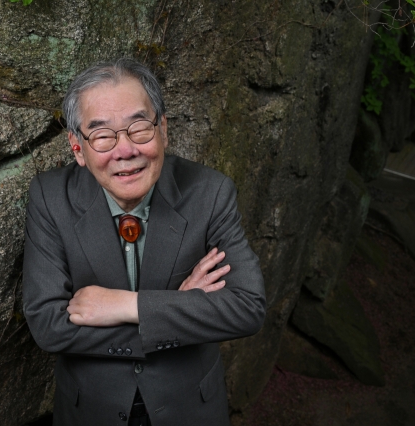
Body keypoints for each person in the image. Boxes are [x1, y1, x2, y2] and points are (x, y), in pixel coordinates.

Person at [22, 58, 266, 426]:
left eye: (139, 128)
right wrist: (184, 309)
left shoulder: (210, 193)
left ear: (163, 130)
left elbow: (247, 307)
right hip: (91, 410)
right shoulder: (50, 197)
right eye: (103, 135)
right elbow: (49, 325)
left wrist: (127, 305)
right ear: (77, 148)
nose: (125, 150)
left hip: (189, 408)